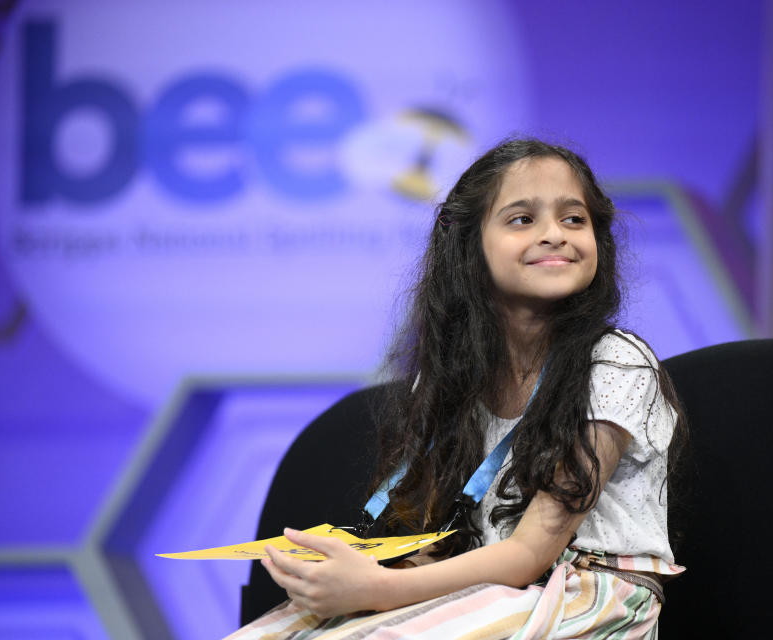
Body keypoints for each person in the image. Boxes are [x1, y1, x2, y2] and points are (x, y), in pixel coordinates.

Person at [227, 138, 686, 639]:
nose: (555, 234)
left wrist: (374, 589)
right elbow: (464, 530)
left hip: (588, 598)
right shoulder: (457, 370)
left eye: (574, 219)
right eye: (522, 219)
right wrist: (358, 570)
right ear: (469, 247)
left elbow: (529, 553)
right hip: (494, 585)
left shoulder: (614, 361)